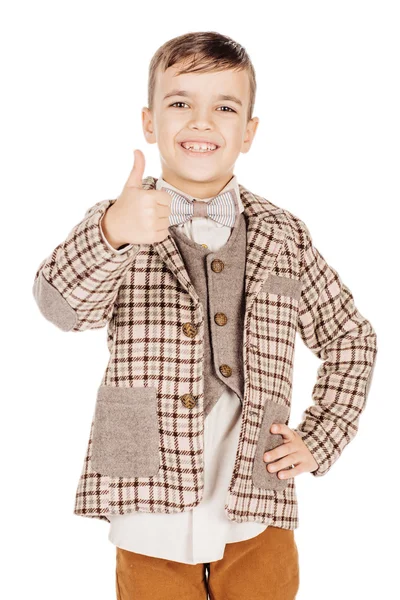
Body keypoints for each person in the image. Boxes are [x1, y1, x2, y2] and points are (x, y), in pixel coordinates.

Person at [32, 31, 378, 600]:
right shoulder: (117, 220)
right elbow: (59, 307)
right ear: (149, 122)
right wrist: (113, 234)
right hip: (148, 489)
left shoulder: (283, 233)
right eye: (180, 103)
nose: (202, 121)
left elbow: (350, 336)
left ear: (249, 131)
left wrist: (323, 435)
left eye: (225, 106)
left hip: (255, 488)